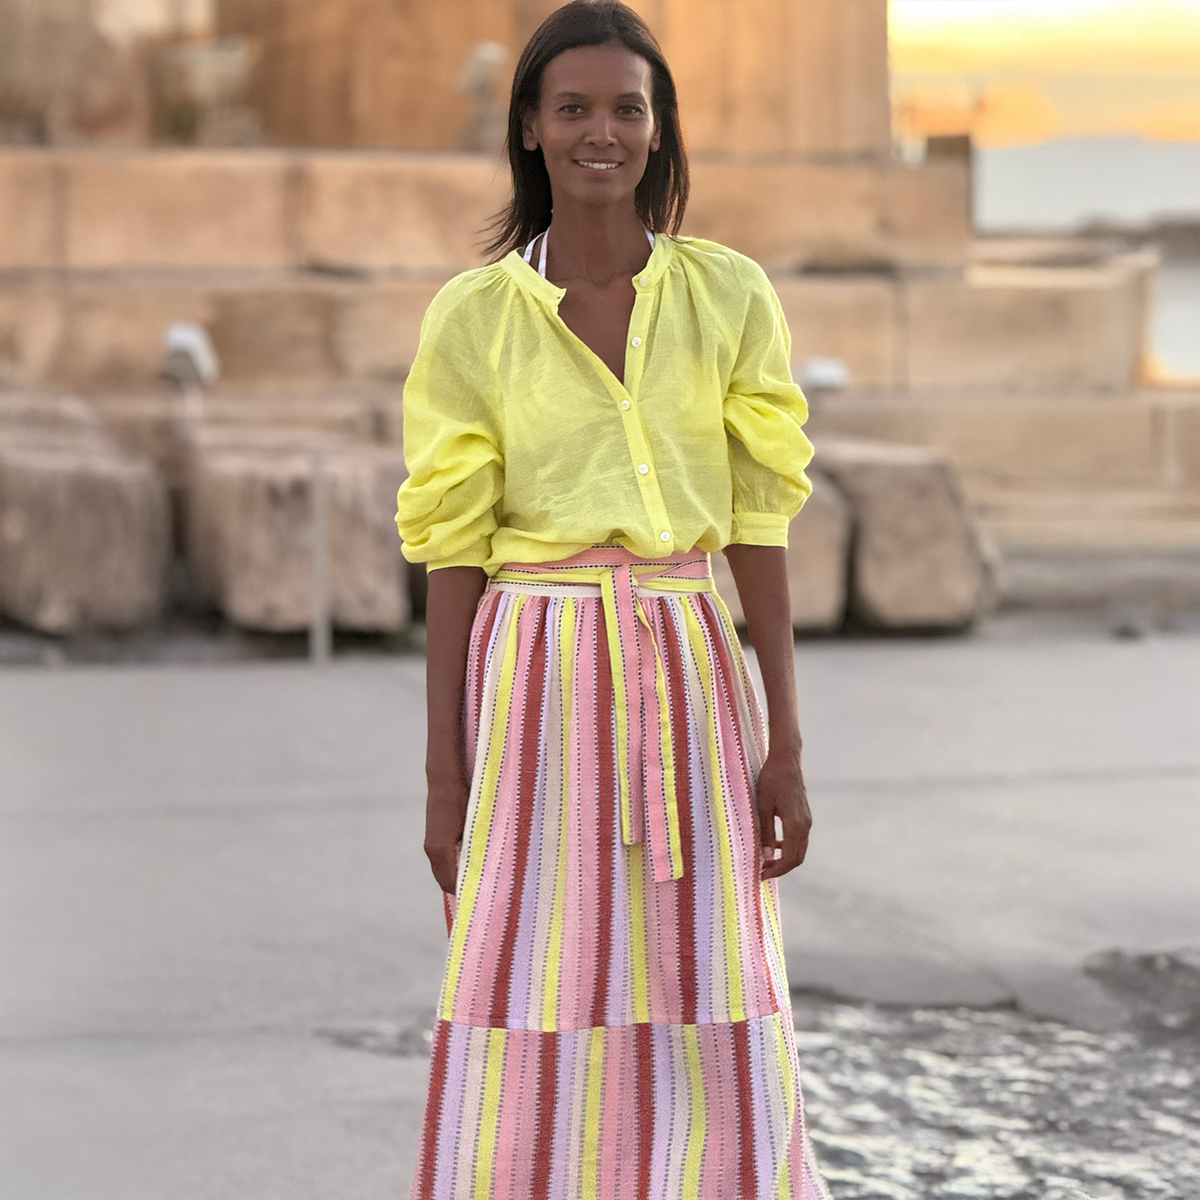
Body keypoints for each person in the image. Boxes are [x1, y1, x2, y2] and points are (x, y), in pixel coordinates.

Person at [395, 3, 830, 1196]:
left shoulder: (729, 295)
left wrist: (785, 741)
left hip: (687, 667)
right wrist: (445, 775)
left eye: (627, 108)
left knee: (716, 974)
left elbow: (757, 525)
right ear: (530, 128)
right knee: (533, 970)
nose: (602, 131)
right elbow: (451, 554)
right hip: (533, 673)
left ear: (659, 128)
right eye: (573, 108)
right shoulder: (473, 317)